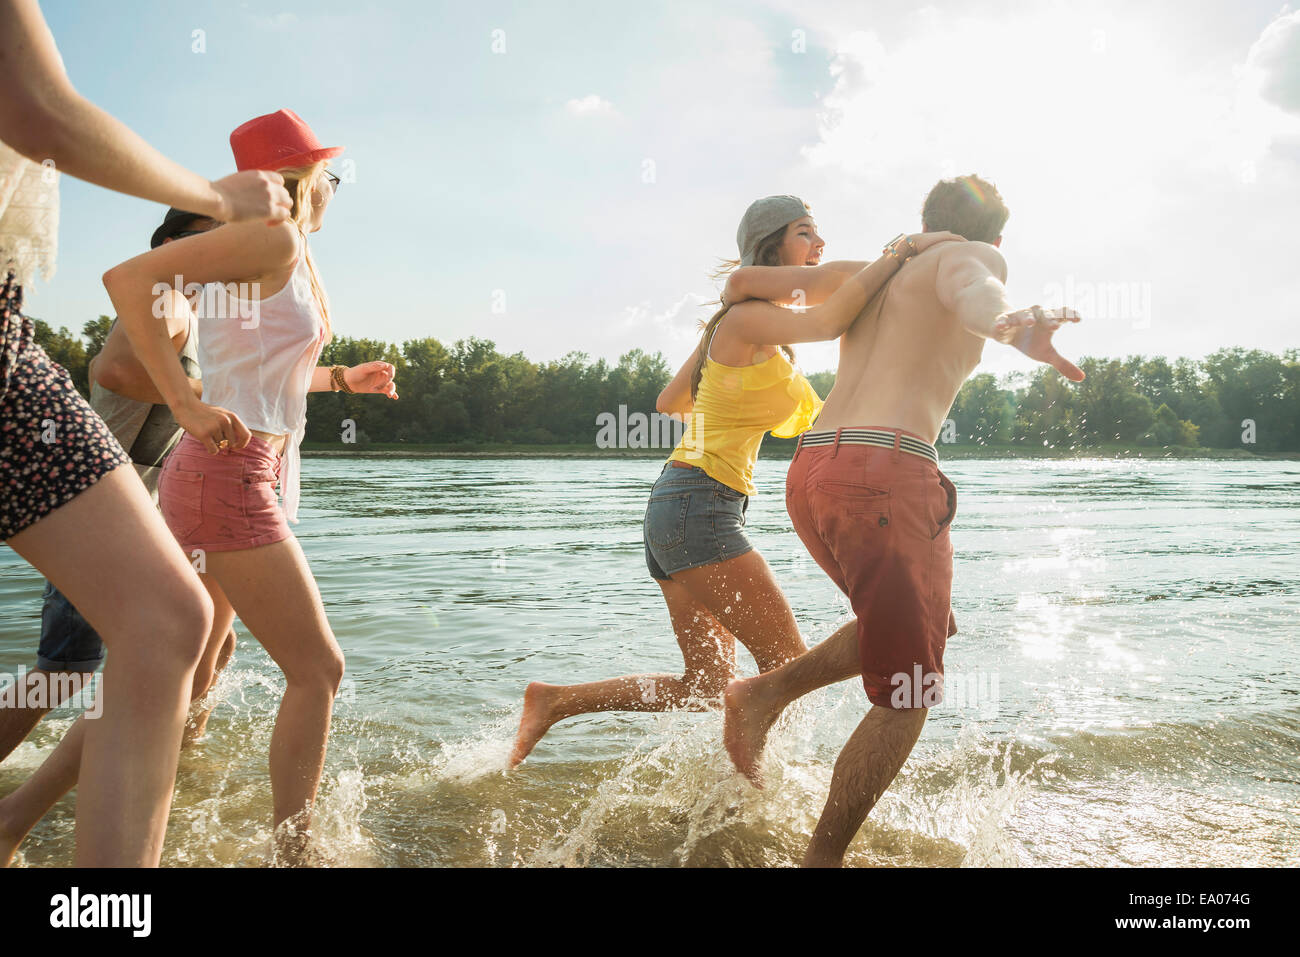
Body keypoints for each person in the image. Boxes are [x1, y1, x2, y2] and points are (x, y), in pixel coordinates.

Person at [511, 195, 961, 767]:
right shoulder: (745, 321)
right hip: (700, 507)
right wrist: (902, 248)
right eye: (805, 232)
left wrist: (727, 393)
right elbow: (829, 318)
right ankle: (754, 799)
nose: (818, 244)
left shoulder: (744, 330)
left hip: (677, 507)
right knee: (782, 666)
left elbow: (670, 400)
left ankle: (554, 702)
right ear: (773, 245)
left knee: (704, 684)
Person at [720, 175, 1084, 867]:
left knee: (927, 626)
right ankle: (821, 859)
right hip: (885, 474)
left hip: (812, 471)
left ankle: (764, 693)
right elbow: (983, 295)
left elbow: (755, 283)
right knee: (909, 690)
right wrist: (1015, 326)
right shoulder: (970, 256)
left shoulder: (880, 271)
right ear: (995, 237)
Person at [0, 0, 291, 866]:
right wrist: (198, 401)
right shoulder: (166, 302)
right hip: (87, 467)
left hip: (106, 473)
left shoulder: (189, 312)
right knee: (97, 651)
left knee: (168, 629)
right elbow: (40, 111)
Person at [102, 108, 397, 864]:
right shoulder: (274, 237)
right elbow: (128, 280)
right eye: (330, 175)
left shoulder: (282, 253)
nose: (334, 189)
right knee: (318, 668)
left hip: (230, 470)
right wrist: (184, 402)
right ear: (298, 178)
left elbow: (256, 369)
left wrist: (341, 379)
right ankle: (293, 854)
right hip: (227, 475)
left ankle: (89, 807)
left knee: (197, 662)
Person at [0, 209, 237, 774]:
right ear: (173, 245)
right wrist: (210, 392)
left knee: (211, 643)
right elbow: (112, 372)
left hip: (140, 509)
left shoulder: (193, 315)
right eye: (216, 238)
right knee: (66, 667)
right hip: (92, 505)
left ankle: (172, 770)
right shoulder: (169, 300)